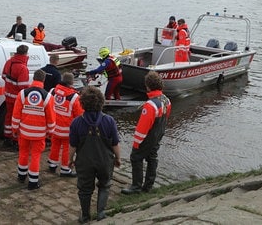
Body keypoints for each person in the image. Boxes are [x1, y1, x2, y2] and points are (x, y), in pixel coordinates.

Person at [68, 86, 121, 223]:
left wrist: (70, 159)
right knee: (105, 185)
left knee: (85, 189)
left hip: (85, 162)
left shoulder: (76, 123)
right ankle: (101, 213)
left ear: (82, 103)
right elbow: (115, 143)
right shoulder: (109, 121)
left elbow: (73, 145)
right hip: (105, 161)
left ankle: (85, 216)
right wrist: (118, 158)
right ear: (101, 102)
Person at [121, 71, 171, 195]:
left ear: (148, 86)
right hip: (158, 134)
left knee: (135, 158)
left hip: (148, 136)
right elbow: (166, 116)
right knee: (152, 157)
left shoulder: (150, 105)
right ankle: (149, 185)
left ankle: (136, 186)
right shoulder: (166, 100)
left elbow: (142, 128)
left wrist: (137, 143)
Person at [11, 69, 56, 190]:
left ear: (33, 79)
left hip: (24, 131)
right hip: (39, 133)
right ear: (43, 80)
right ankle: (33, 182)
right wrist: (50, 132)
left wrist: (14, 129)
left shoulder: (22, 94)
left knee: (23, 152)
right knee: (36, 155)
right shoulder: (48, 97)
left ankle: (21, 176)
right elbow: (51, 118)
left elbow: (16, 114)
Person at [47, 72, 84, 177]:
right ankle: (65, 169)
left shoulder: (52, 91)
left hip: (54, 127)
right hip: (67, 130)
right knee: (67, 149)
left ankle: (52, 164)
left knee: (55, 146)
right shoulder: (74, 97)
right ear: (72, 82)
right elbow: (79, 115)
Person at [1, 45, 31, 147]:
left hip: (8, 94)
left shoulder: (9, 62)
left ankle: (7, 136)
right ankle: (15, 139)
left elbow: (3, 76)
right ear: (25, 54)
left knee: (8, 116)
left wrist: (10, 84)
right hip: (17, 98)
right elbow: (22, 86)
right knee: (17, 119)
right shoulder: (23, 67)